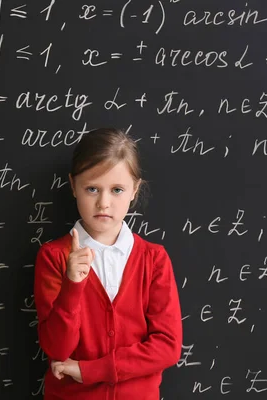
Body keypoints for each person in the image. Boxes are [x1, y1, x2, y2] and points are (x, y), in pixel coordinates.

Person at [33, 127, 183, 399]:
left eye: (116, 190)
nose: (104, 202)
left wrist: (91, 370)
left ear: (134, 190)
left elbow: (168, 346)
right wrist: (72, 286)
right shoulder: (54, 256)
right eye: (92, 188)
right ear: (73, 186)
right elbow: (57, 349)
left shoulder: (154, 259)